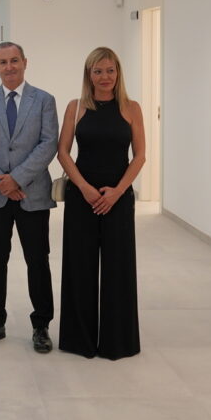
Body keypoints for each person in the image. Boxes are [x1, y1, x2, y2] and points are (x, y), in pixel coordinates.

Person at [0, 41, 59, 353]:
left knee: (37, 260)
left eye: (14, 60)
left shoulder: (44, 100)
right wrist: (2, 183)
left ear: (25, 62)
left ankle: (41, 324)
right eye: (3, 62)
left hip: (32, 194)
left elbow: (48, 144)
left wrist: (17, 179)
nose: (9, 67)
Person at [57, 46, 146, 359]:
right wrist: (84, 187)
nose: (104, 77)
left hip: (117, 199)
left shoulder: (131, 108)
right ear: (89, 74)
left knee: (118, 270)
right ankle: (78, 340)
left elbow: (140, 156)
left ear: (118, 73)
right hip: (82, 197)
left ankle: (117, 342)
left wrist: (118, 191)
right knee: (79, 268)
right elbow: (63, 152)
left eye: (110, 70)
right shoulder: (76, 107)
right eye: (98, 71)